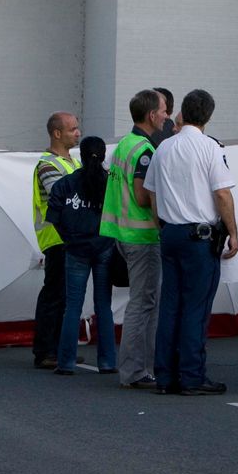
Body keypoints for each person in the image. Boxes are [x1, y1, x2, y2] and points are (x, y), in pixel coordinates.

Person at [144, 89, 238, 395]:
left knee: (170, 305)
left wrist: (164, 224)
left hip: (170, 232)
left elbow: (152, 195)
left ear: (181, 112)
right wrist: (233, 233)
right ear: (209, 116)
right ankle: (191, 375)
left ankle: (165, 375)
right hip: (199, 236)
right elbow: (222, 193)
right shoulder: (210, 148)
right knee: (196, 307)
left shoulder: (163, 148)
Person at [101, 89, 168, 389]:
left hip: (124, 235)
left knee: (142, 303)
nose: (167, 115)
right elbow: (142, 195)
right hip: (142, 236)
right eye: (164, 110)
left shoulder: (123, 145)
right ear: (152, 115)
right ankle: (135, 371)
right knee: (143, 304)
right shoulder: (144, 150)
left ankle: (139, 368)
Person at [46, 136, 118, 375]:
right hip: (104, 247)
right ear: (104, 156)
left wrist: (69, 237)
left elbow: (54, 217)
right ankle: (107, 362)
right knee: (104, 306)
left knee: (73, 306)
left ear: (81, 155)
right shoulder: (111, 183)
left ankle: (66, 362)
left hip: (75, 249)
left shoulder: (66, 184)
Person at [31, 111, 82, 369]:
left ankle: (60, 348)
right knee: (55, 295)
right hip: (57, 238)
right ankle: (46, 350)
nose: (78, 132)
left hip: (71, 238)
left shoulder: (73, 163)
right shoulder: (47, 164)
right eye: (73, 129)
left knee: (65, 296)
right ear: (57, 133)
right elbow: (65, 196)